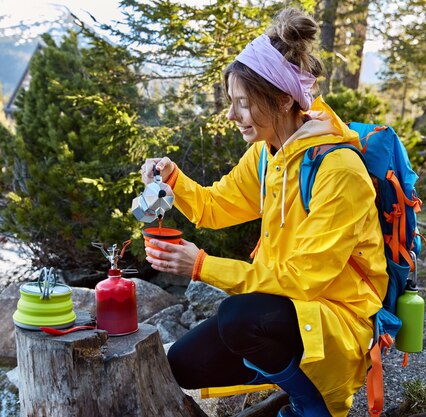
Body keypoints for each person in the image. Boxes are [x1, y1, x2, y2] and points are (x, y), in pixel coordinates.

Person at [140, 7, 388, 417]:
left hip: (336, 317)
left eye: (243, 103)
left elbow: (302, 281)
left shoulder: (339, 172)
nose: (232, 115)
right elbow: (213, 207)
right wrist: (175, 180)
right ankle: (287, 371)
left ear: (284, 98)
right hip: (284, 309)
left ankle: (316, 403)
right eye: (232, 102)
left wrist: (201, 266)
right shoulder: (266, 155)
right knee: (181, 365)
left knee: (240, 317)